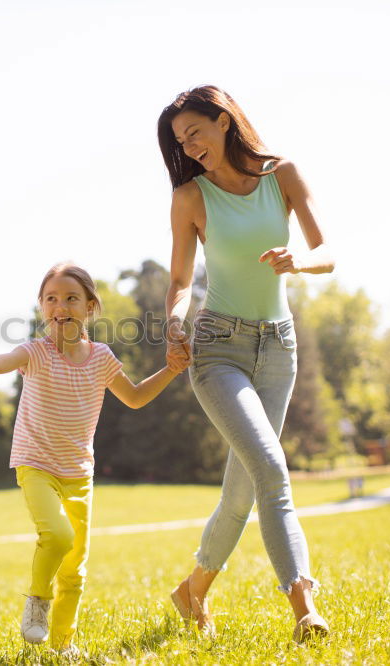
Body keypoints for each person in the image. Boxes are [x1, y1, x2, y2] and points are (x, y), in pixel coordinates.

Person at [156, 85, 334, 642]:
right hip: (218, 349)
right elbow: (181, 280)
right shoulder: (191, 197)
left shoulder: (282, 175)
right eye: (181, 141)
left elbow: (326, 251)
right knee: (271, 470)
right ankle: (305, 606)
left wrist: (298, 262)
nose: (189, 146)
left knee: (243, 489)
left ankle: (191, 592)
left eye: (195, 133)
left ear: (225, 122)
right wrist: (173, 321)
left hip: (279, 346)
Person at [0, 263, 184, 655]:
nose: (61, 305)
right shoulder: (35, 352)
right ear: (42, 308)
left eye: (71, 298)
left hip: (78, 473)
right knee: (57, 535)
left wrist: (172, 370)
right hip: (35, 463)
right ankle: (37, 601)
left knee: (74, 568)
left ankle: (62, 647)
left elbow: (136, 397)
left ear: (90, 306)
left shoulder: (102, 357)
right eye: (51, 298)